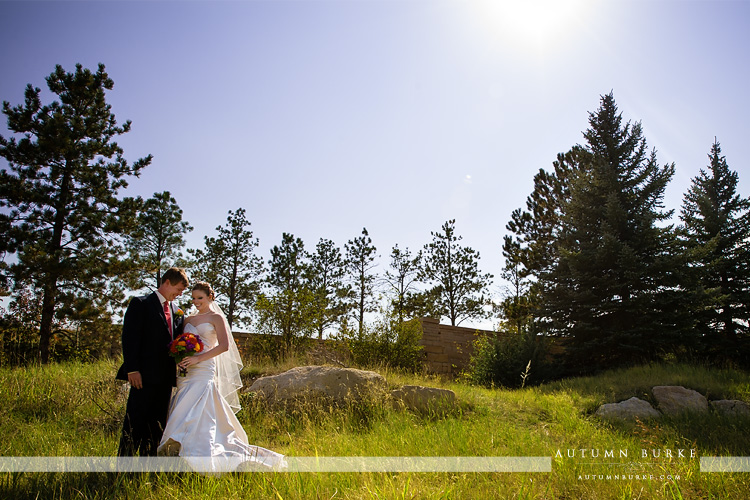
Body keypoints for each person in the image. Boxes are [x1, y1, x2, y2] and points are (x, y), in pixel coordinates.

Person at [157, 281, 286, 473]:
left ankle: (200, 450)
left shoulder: (216, 318)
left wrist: (198, 358)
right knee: (184, 403)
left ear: (210, 297)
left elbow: (223, 346)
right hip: (187, 371)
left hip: (204, 368)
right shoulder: (186, 320)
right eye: (193, 298)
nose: (196, 301)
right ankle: (177, 448)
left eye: (200, 298)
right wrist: (181, 358)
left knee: (201, 406)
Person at [116, 267, 189, 456]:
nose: (180, 294)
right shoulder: (141, 304)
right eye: (178, 289)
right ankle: (124, 466)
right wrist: (132, 369)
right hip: (143, 376)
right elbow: (130, 338)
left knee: (157, 425)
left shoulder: (177, 311)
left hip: (165, 378)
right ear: (166, 282)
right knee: (135, 421)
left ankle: (148, 463)